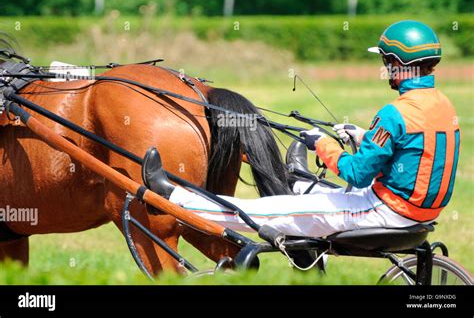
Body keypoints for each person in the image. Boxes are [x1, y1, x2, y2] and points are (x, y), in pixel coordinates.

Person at [145, 20, 460, 239]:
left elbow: (358, 174)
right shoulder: (442, 105)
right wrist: (363, 136)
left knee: (271, 212)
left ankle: (174, 196)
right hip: (418, 212)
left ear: (396, 63)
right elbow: (417, 147)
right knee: (310, 192)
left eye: (384, 61)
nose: (384, 69)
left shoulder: (397, 113)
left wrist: (322, 143)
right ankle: (295, 181)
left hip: (385, 212)